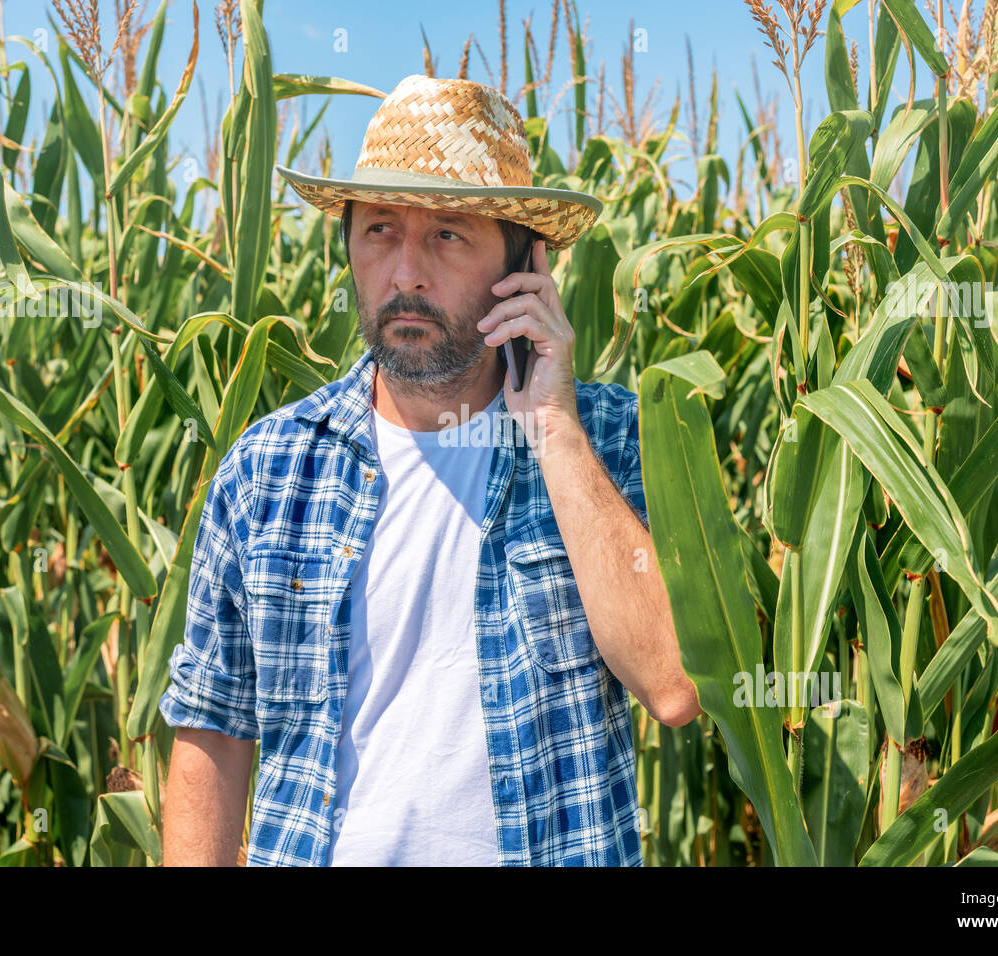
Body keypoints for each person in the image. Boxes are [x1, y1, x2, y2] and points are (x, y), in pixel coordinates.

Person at [158, 73, 700, 867]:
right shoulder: (267, 472)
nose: (406, 272)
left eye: (448, 233)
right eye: (380, 229)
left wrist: (553, 428)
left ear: (525, 262)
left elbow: (675, 685)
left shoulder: (614, 441)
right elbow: (213, 727)